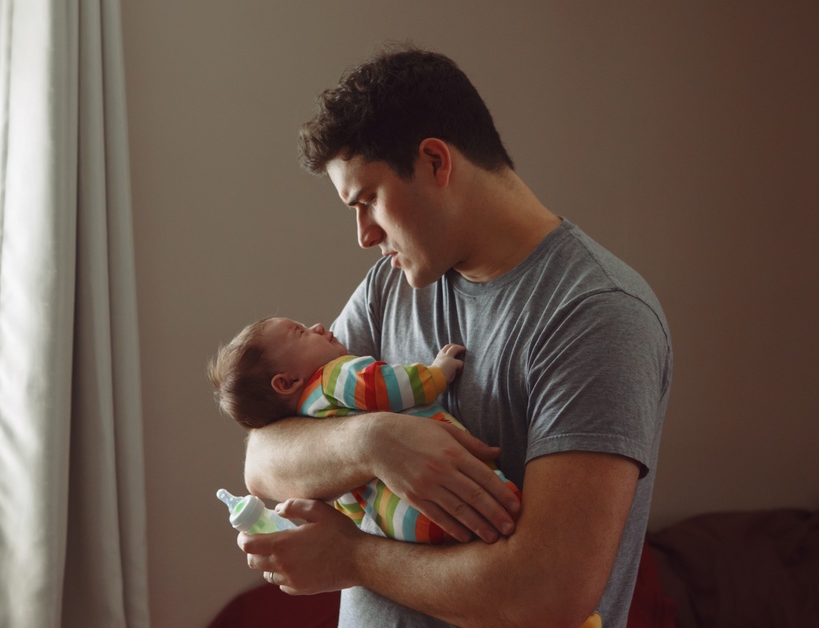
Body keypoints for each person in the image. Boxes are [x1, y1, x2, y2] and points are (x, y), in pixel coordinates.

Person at [236, 45, 672, 628]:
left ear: (437, 162)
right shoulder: (391, 286)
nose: (364, 235)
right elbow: (264, 457)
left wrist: (354, 558)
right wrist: (376, 443)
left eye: (368, 200)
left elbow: (546, 594)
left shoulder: (598, 315)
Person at [208, 316, 520, 544]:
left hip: (401, 524)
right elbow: (385, 386)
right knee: (502, 501)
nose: (318, 326)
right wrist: (437, 373)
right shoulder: (334, 376)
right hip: (438, 497)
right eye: (301, 332)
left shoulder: (309, 419)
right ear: (287, 382)